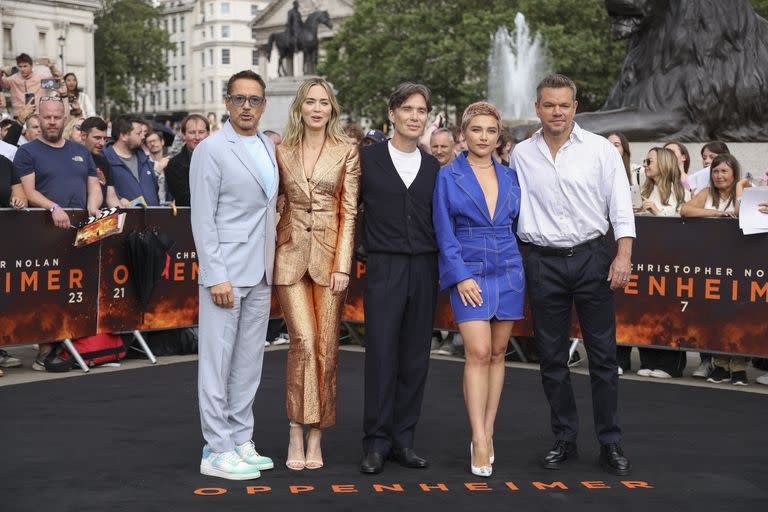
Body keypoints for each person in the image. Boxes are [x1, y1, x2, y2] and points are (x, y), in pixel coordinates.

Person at [512, 74, 635, 476]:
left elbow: (620, 206)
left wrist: (623, 256)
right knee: (550, 358)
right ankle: (564, 438)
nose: (557, 112)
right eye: (549, 105)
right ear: (538, 108)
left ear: (575, 107)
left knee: (602, 357)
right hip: (542, 262)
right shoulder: (521, 154)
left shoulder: (601, 150)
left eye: (564, 105)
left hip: (592, 259)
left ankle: (610, 442)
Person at [191, 70, 277, 480]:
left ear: (263, 105)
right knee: (216, 363)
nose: (247, 106)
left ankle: (241, 439)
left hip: (261, 271)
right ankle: (216, 448)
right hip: (225, 272)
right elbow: (202, 218)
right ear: (226, 103)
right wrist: (214, 275)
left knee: (248, 363)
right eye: (239, 99)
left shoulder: (266, 145)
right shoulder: (210, 149)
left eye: (254, 99)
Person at [273, 78, 360, 471]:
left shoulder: (347, 152)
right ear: (300, 107)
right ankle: (295, 427)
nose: (317, 108)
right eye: (310, 102)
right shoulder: (281, 151)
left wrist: (344, 264)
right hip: (289, 257)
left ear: (332, 110)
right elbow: (276, 203)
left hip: (330, 261)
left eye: (324, 102)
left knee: (326, 349)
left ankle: (317, 434)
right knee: (303, 343)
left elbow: (350, 211)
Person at [433, 102, 523, 477]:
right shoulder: (448, 176)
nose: (484, 137)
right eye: (476, 130)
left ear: (497, 136)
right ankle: (479, 438)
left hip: (508, 267)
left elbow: (519, 225)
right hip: (469, 268)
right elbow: (443, 229)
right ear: (463, 135)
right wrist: (460, 275)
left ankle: (487, 432)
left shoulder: (512, 176)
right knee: (479, 352)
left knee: (500, 352)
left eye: (490, 131)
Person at [359, 83, 440, 475]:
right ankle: (375, 443)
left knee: (414, 359)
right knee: (381, 355)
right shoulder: (366, 159)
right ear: (391, 114)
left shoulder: (432, 167)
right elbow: (347, 211)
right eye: (406, 108)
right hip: (383, 267)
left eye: (421, 110)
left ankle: (403, 441)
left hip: (425, 268)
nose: (414, 116)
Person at [13, 96, 101, 372]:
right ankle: (45, 351)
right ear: (38, 118)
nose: (52, 121)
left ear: (65, 119)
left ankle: (74, 346)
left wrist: (94, 206)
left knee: (78, 290)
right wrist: (53, 207)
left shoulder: (80, 151)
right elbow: (28, 192)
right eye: (47, 117)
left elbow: (94, 186)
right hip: (44, 233)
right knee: (47, 294)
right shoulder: (27, 152)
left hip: (81, 232)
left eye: (57, 116)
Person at [681, 154, 752, 385]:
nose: (719, 176)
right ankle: (720, 365)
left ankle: (739, 367)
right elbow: (685, 210)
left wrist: (741, 189)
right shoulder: (706, 193)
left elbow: (744, 214)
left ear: (734, 173)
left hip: (740, 264)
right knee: (718, 314)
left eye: (724, 171)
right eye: (715, 171)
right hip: (713, 264)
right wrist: (717, 214)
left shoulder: (745, 189)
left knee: (738, 314)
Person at [634, 147, 688, 378]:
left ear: (664, 164)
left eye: (649, 160)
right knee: (645, 310)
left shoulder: (678, 189)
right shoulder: (645, 188)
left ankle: (669, 363)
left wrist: (655, 210)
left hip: (670, 260)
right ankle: (648, 359)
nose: (645, 164)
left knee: (668, 311)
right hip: (647, 257)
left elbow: (681, 217)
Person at [102, 114, 159, 206]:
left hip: (151, 218)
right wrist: (118, 199)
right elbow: (101, 191)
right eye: (138, 133)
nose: (143, 137)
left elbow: (155, 190)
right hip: (124, 218)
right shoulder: (105, 159)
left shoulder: (144, 158)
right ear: (124, 136)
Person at [166, 114, 210, 207]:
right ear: (183, 135)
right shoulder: (174, 165)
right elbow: (184, 198)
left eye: (201, 132)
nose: (197, 137)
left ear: (208, 133)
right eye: (192, 132)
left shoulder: (220, 160)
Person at [0, 54, 60, 118]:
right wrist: (1, 70)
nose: (22, 69)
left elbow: (58, 81)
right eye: (20, 66)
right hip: (18, 117)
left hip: (37, 116)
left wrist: (52, 67)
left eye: (25, 66)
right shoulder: (12, 80)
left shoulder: (40, 79)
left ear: (31, 66)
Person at [80, 116, 121, 209]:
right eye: (97, 138)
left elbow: (111, 197)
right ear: (83, 135)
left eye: (105, 138)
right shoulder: (71, 158)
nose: (102, 143)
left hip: (99, 218)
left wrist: (123, 215)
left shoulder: (104, 161)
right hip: (74, 215)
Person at [145, 130, 171, 205]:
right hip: (151, 206)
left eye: (155, 141)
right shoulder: (144, 164)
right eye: (149, 142)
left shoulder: (170, 162)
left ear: (162, 142)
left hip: (169, 206)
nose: (152, 144)